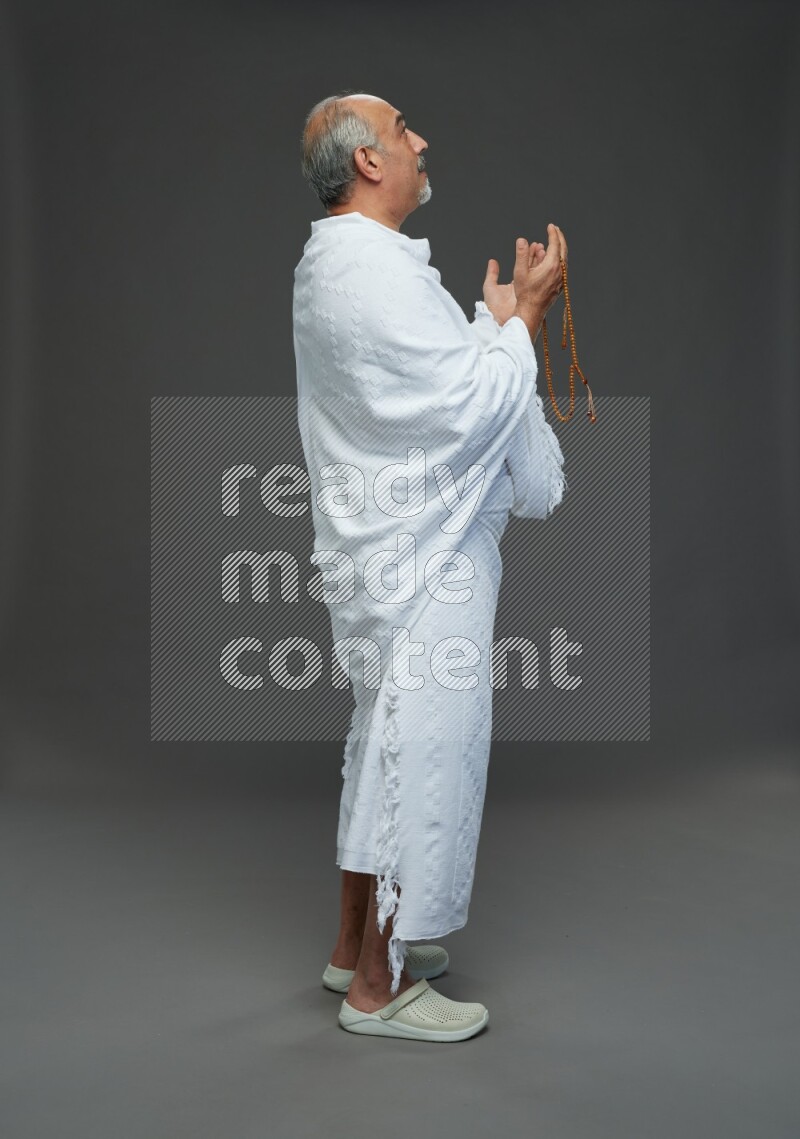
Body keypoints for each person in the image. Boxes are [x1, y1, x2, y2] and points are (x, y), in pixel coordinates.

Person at [293, 89, 567, 1042]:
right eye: (404, 129)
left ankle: (348, 948)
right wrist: (520, 320)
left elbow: (419, 393)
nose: (420, 141)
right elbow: (454, 412)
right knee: (429, 747)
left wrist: (490, 329)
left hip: (385, 555)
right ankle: (379, 987)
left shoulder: (339, 262)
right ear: (370, 161)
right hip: (423, 558)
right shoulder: (366, 271)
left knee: (383, 742)